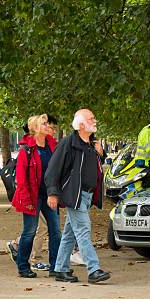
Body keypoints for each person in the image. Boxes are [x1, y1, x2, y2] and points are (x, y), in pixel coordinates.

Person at [46, 109, 110, 284]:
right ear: (81, 124)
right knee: (83, 230)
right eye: (91, 118)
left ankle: (60, 269)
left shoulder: (91, 144)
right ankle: (94, 269)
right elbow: (53, 169)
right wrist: (52, 192)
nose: (95, 121)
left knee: (69, 234)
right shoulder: (68, 143)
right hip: (74, 194)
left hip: (87, 195)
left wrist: (101, 154)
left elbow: (93, 168)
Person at [11, 114, 60, 278]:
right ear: (35, 128)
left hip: (50, 195)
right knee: (29, 231)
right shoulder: (27, 149)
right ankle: (23, 267)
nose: (48, 126)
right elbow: (21, 178)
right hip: (33, 196)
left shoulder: (52, 145)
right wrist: (26, 200)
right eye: (44, 124)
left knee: (55, 231)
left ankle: (56, 266)